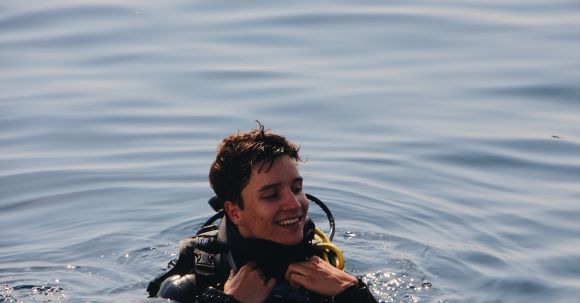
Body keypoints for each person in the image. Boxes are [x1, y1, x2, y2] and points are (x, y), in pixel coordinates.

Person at [147, 123, 378, 303]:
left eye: (297, 189)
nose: (294, 204)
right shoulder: (190, 287)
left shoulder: (330, 275)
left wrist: (354, 292)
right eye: (271, 195)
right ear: (234, 211)